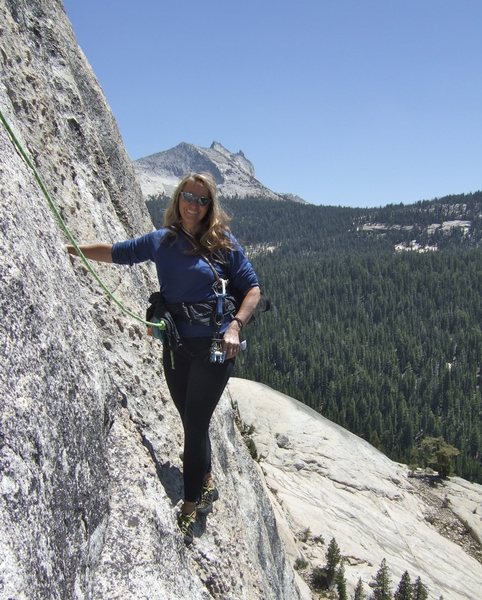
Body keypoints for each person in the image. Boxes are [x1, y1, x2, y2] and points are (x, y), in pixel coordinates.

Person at [67, 172, 260, 544]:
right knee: (190, 420)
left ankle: (190, 505)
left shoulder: (223, 244)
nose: (193, 204)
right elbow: (116, 252)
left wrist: (235, 325)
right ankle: (204, 479)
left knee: (195, 420)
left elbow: (252, 288)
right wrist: (73, 248)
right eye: (188, 196)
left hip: (215, 348)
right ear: (178, 199)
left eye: (202, 199)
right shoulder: (162, 241)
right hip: (176, 346)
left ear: (210, 206)